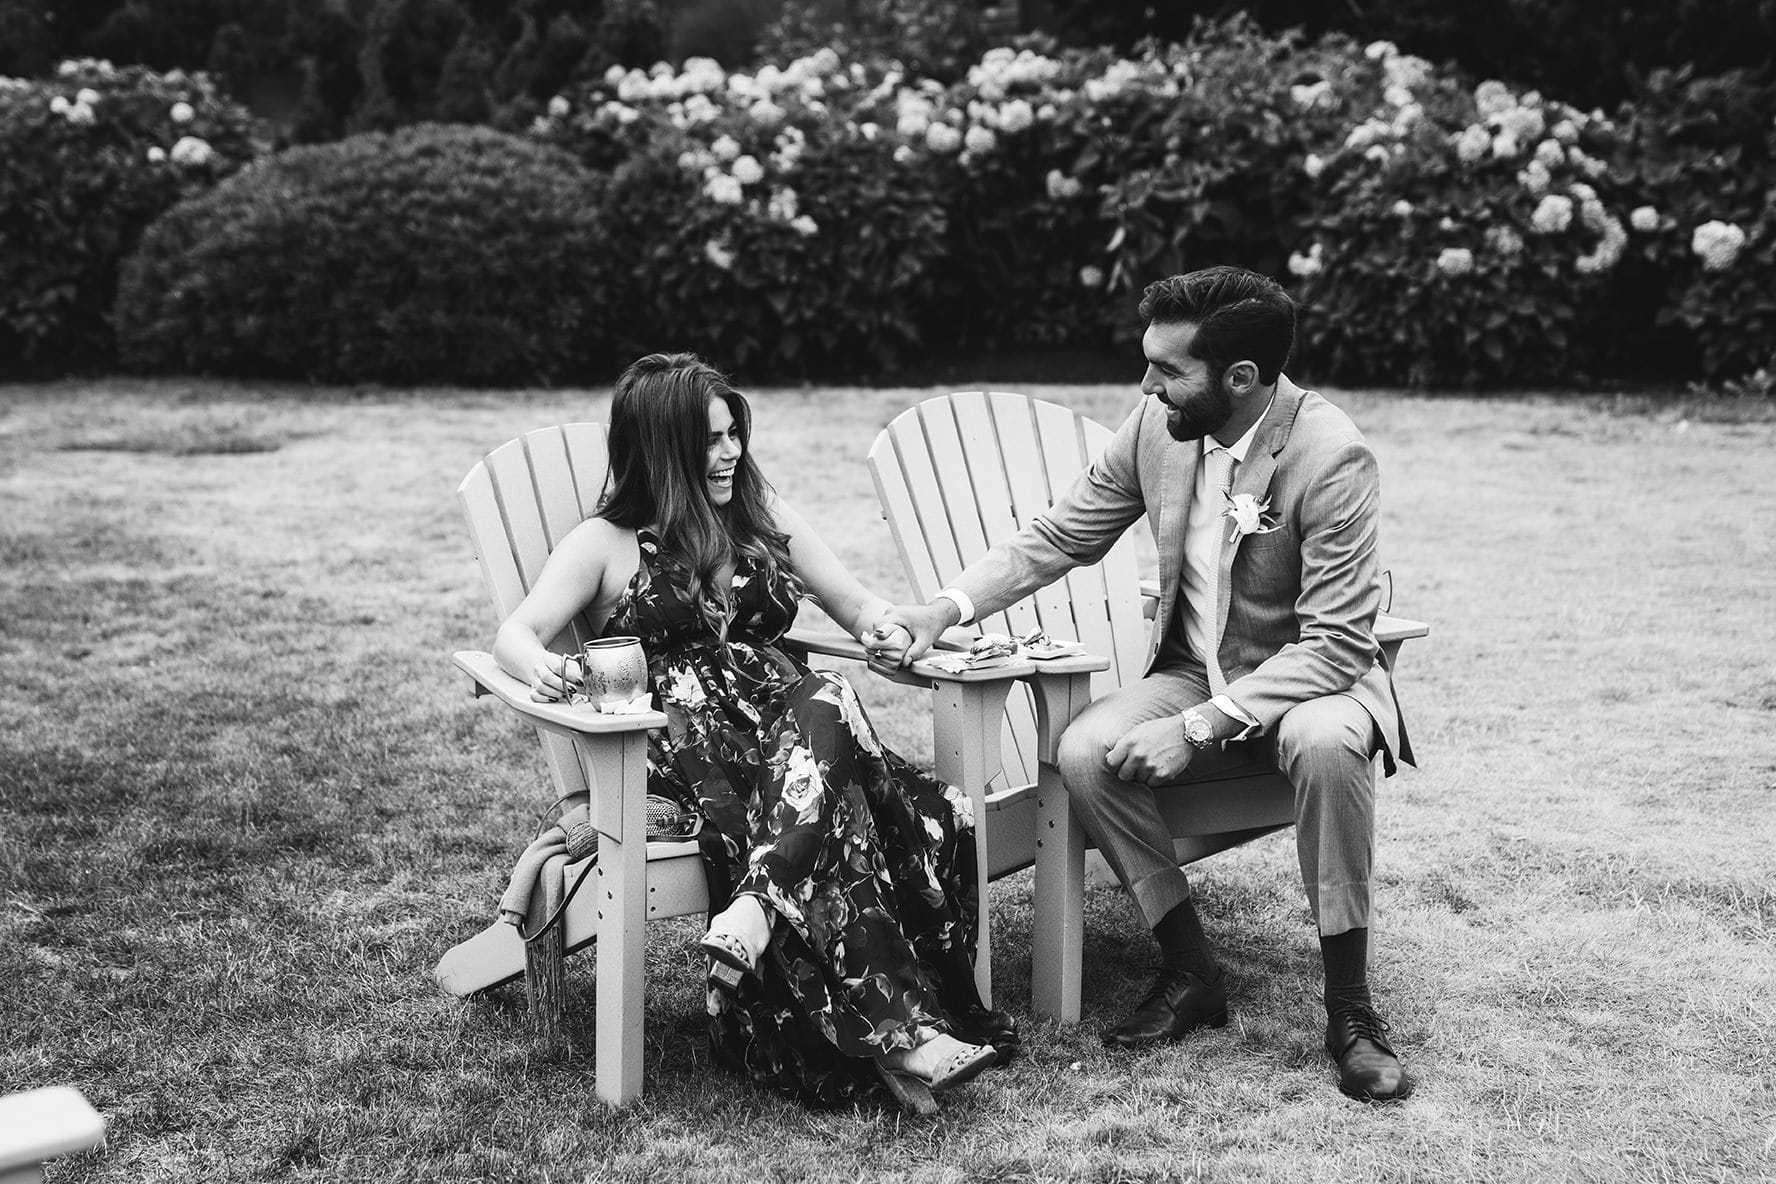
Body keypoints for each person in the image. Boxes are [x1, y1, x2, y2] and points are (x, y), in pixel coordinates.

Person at [871, 266, 1416, 1103]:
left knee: (1323, 740)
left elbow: (1339, 641)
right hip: (1194, 669)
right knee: (1085, 748)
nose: (1146, 384)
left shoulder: (1332, 454)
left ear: (1240, 379)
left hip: (1312, 680)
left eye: (1167, 369)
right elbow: (1061, 534)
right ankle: (1190, 969)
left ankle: (1351, 1010)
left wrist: (1200, 727)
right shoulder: (1160, 426)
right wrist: (942, 609)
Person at [493, 352, 1012, 1111]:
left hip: (794, 727)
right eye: (709, 439)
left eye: (734, 432)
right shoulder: (605, 543)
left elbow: (860, 607)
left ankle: (760, 910)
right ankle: (904, 1033)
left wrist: (899, 634)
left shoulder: (761, 515)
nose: (731, 451)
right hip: (690, 746)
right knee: (841, 747)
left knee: (840, 714)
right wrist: (541, 665)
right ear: (661, 449)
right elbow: (517, 632)